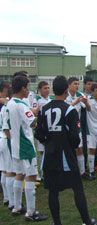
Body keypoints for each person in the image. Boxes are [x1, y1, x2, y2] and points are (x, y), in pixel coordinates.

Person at [35, 76, 97, 225]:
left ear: (53, 90)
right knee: (77, 187)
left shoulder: (44, 109)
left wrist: (50, 142)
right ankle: (87, 221)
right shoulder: (70, 110)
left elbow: (39, 134)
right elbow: (75, 138)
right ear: (66, 90)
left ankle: (57, 222)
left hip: (50, 156)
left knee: (53, 191)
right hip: (66, 156)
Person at [7, 75, 47, 221]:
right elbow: (32, 123)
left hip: (15, 145)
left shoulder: (10, 103)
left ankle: (17, 206)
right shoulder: (22, 105)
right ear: (23, 88)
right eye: (27, 87)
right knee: (31, 176)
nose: (28, 90)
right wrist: (36, 115)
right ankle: (31, 212)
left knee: (20, 174)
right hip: (26, 146)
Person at [65, 77, 91, 180]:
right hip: (66, 128)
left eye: (78, 84)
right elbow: (64, 111)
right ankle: (68, 173)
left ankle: (82, 172)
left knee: (79, 149)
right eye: (75, 83)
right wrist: (75, 102)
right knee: (68, 151)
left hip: (77, 127)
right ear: (69, 85)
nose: (77, 85)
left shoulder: (80, 95)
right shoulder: (64, 96)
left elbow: (89, 109)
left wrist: (86, 102)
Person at [32, 81, 52, 180]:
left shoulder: (51, 99)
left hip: (51, 129)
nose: (47, 90)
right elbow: (35, 114)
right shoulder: (37, 100)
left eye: (48, 88)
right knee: (42, 152)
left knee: (50, 151)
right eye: (45, 88)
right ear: (39, 90)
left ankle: (49, 172)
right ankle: (43, 173)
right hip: (42, 129)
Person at [0, 81, 10, 207]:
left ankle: (6, 198)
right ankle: (10, 199)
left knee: (3, 169)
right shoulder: (7, 103)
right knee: (9, 170)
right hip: (4, 136)